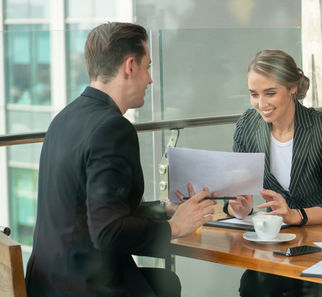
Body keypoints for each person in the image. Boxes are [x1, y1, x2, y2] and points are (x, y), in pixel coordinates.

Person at [25, 22, 216, 297]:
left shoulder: (64, 118)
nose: (150, 79)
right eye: (147, 67)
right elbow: (107, 231)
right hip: (85, 286)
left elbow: (94, 212)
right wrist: (175, 227)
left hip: (49, 281)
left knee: (167, 283)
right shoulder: (112, 128)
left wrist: (165, 210)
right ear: (130, 66)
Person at [226, 49, 322, 297]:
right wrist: (238, 209)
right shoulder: (248, 125)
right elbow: (238, 192)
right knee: (254, 285)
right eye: (254, 94)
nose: (261, 104)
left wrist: (296, 215)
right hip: (290, 242)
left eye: (270, 93)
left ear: (292, 88)